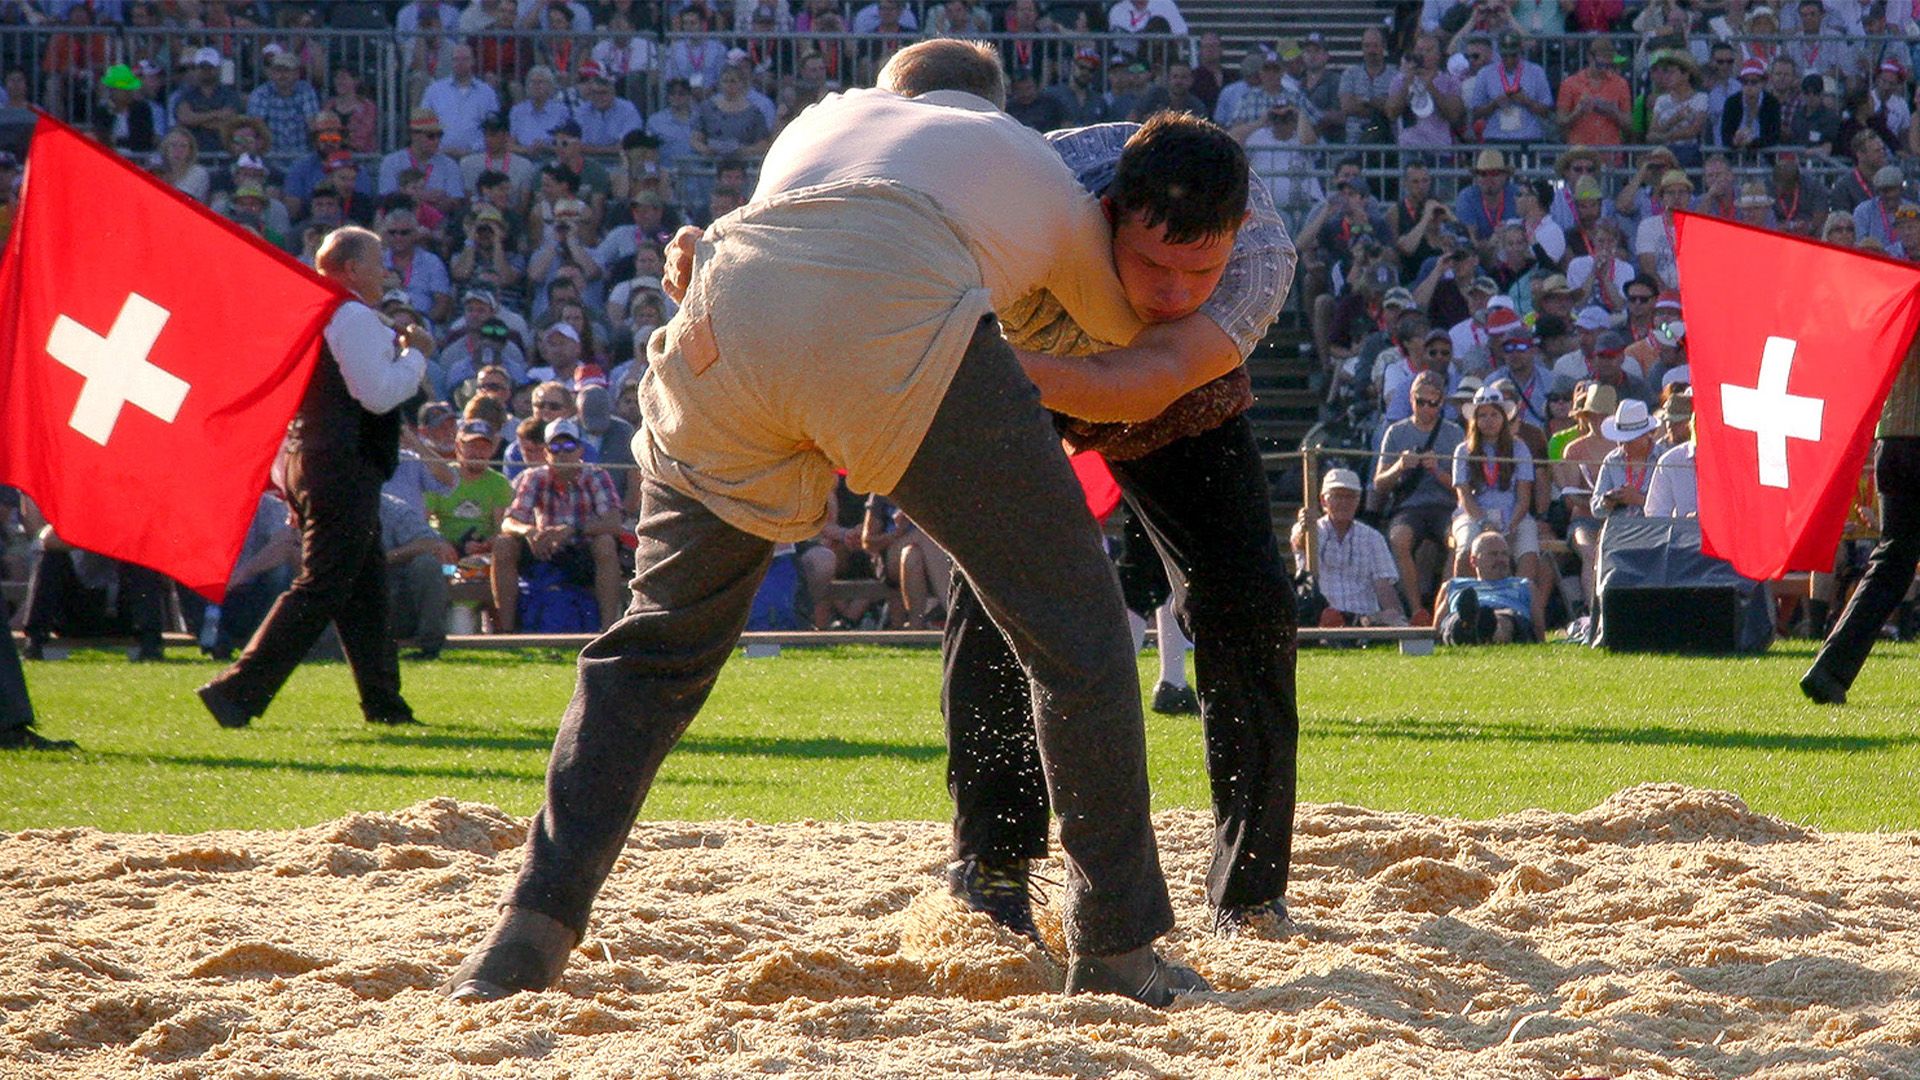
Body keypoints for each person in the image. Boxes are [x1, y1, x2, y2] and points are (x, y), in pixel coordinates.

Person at [443, 41, 1216, 1010]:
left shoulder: (818, 124)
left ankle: (527, 934)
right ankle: (1115, 948)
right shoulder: (1028, 157)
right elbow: (1124, 329)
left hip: (723, 323)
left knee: (650, 651)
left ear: (889, 94)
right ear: (996, 103)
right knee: (1079, 640)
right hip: (891, 321)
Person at [196, 227, 427, 729]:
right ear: (350, 269)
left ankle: (386, 704)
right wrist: (417, 355)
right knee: (321, 587)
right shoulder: (352, 317)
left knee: (365, 592)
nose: (384, 269)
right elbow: (380, 394)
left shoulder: (312, 318)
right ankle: (236, 689)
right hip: (344, 467)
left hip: (313, 460)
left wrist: (289, 480)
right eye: (377, 259)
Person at [1802, 341, 1920, 704]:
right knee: (1894, 560)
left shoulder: (1899, 293)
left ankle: (1830, 669)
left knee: (1892, 561)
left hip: (1893, 440)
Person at [1375, 370, 1465, 624]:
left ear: (1441, 403)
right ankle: (1416, 610)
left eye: (1432, 403)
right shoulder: (1395, 432)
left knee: (1458, 542)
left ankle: (1444, 606)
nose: (1425, 408)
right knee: (1399, 539)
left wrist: (1437, 471)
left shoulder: (1454, 434)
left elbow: (1462, 487)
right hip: (1409, 507)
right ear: (1411, 399)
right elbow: (1379, 483)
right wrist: (1400, 466)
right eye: (1419, 401)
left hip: (1445, 506)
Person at [1292, 468, 1405, 627]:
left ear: (1358, 501)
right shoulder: (1309, 531)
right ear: (1324, 501)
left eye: (1350, 497)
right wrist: (1305, 527)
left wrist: (1395, 614)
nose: (1344, 502)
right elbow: (1299, 544)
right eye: (1337, 496)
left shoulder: (1373, 538)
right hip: (1320, 613)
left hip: (1363, 616)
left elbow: (1383, 586)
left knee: (1392, 617)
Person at [1435, 531, 1537, 645]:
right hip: (1462, 615)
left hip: (1507, 614)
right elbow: (1436, 627)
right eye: (1493, 554)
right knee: (1454, 620)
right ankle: (1468, 628)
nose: (1500, 559)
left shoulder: (1523, 585)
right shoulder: (1454, 585)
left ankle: (1481, 633)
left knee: (1501, 620)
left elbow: (1538, 629)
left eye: (1504, 554)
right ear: (1473, 561)